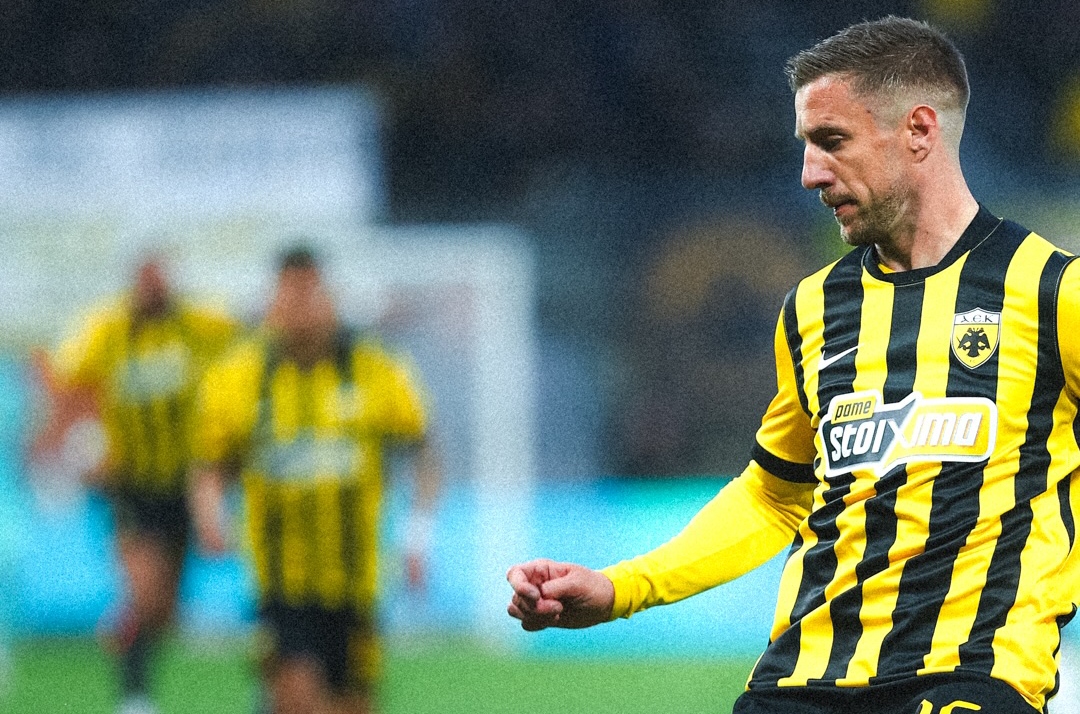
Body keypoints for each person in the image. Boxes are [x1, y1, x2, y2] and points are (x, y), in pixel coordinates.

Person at [507, 16, 1080, 714]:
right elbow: (773, 496)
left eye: (831, 142)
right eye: (806, 146)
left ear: (919, 130)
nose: (810, 174)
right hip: (802, 680)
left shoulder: (1052, 292)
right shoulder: (814, 308)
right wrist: (620, 588)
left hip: (968, 679)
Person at [190, 245, 440, 714]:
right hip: (279, 580)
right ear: (273, 301)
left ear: (329, 298)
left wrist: (417, 535)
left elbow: (423, 452)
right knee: (300, 698)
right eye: (290, 295)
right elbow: (211, 463)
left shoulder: (375, 367)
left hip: (357, 579)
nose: (300, 308)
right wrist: (210, 514)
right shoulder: (240, 374)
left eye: (310, 294)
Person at [35, 254, 238, 714]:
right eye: (145, 274)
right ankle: (135, 698)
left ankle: (127, 634)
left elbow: (248, 355)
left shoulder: (202, 325)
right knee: (144, 592)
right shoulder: (106, 330)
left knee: (164, 610)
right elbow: (64, 383)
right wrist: (72, 445)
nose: (153, 283)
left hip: (185, 483)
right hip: (131, 484)